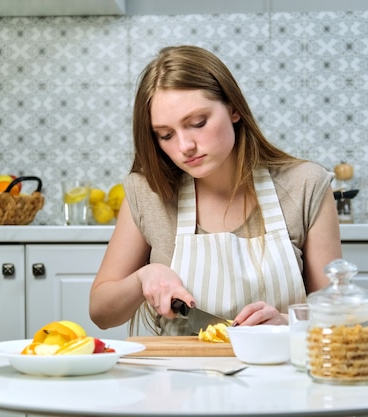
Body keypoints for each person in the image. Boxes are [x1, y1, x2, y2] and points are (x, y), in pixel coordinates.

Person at [89, 45, 342, 336]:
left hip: (280, 371)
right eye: (166, 135)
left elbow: (336, 318)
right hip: (179, 375)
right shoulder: (148, 192)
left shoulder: (306, 184)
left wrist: (288, 323)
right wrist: (143, 277)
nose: (185, 146)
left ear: (233, 109)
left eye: (197, 123)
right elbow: (100, 313)